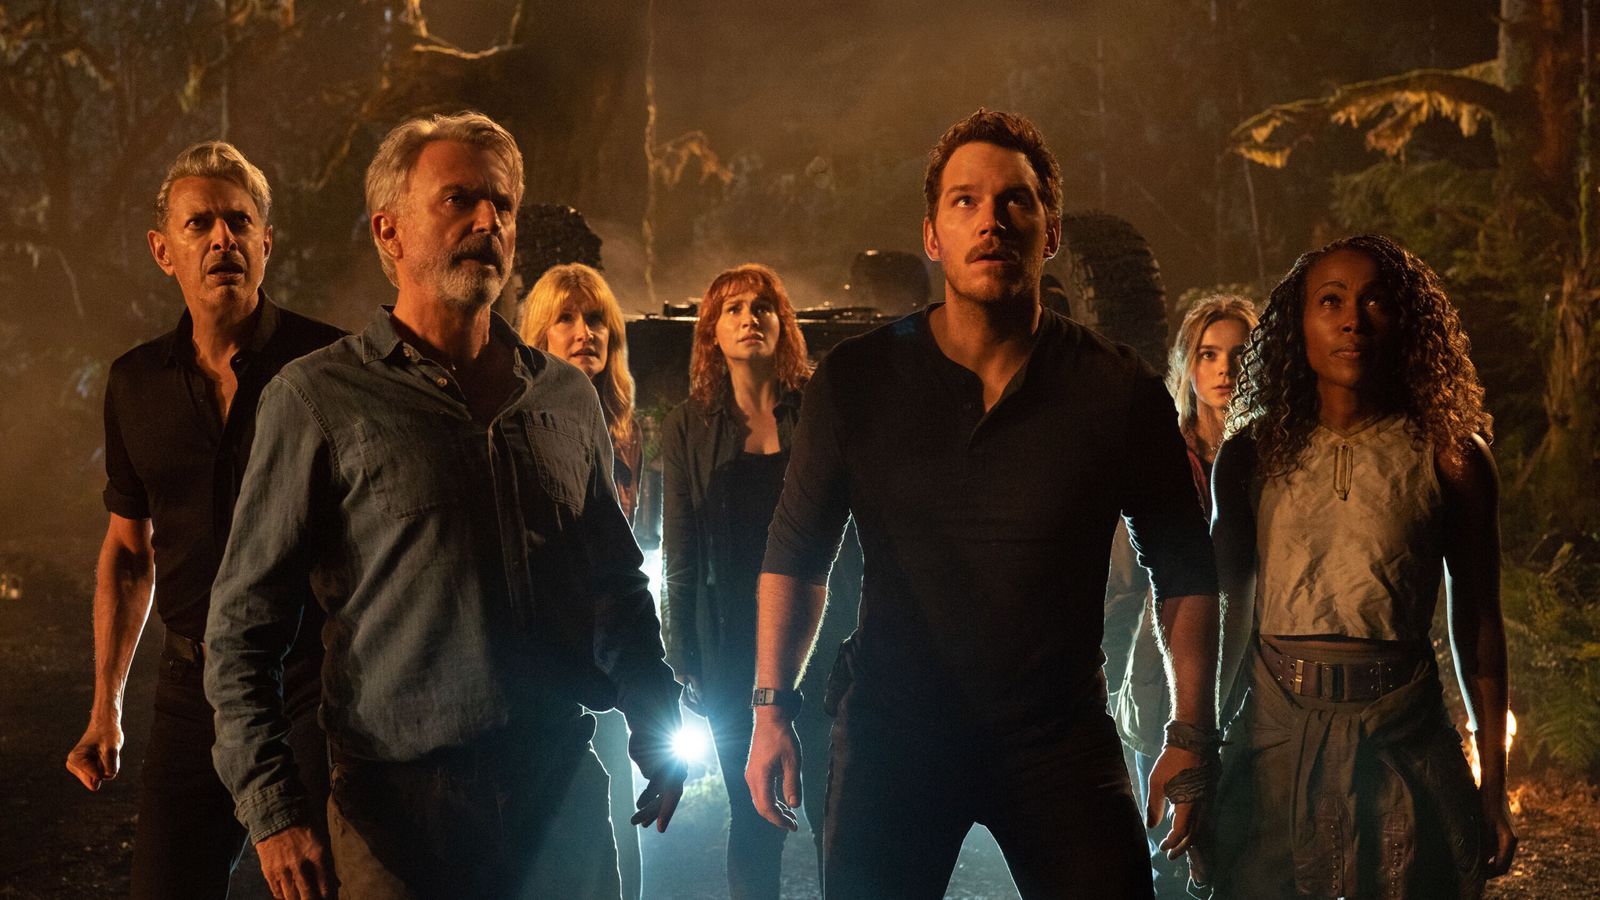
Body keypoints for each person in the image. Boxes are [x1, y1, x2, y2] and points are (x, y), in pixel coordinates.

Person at [203, 111, 686, 900]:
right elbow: (241, 629)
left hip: (557, 794)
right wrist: (273, 811)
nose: (488, 222)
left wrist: (654, 712)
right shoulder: (319, 399)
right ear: (388, 230)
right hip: (398, 816)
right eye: (459, 199)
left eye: (503, 204)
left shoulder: (564, 399)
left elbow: (615, 583)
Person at [744, 109, 1221, 899]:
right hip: (895, 735)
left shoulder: (1116, 388)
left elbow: (1185, 570)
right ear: (932, 235)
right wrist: (770, 710)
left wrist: (1191, 734)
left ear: (1051, 232)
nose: (991, 220)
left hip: (1059, 739)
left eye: (1015, 201)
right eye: (965, 201)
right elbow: (796, 555)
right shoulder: (859, 380)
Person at [62, 141, 342, 900]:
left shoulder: (328, 365)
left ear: (266, 242)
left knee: (323, 884)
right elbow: (129, 550)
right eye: (200, 224)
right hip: (193, 690)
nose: (223, 239)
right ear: (164, 250)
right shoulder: (134, 384)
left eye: (239, 222)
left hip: (311, 682)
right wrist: (106, 706)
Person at [1208, 234, 1518, 899]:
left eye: (1375, 300)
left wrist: (1494, 785)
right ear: (1299, 324)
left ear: (1405, 320)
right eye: (1330, 301)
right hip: (1274, 736)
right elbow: (1225, 612)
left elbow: (1479, 622)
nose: (1353, 320)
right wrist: (1200, 748)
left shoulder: (1451, 457)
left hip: (1402, 735)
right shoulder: (1251, 454)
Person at [660, 264, 847, 899]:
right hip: (731, 647)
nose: (749, 318)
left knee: (837, 814)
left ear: (782, 324)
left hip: (817, 640)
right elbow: (681, 553)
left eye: (762, 306)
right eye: (733, 308)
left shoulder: (816, 412)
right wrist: (683, 658)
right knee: (755, 814)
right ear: (711, 331)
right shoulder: (688, 426)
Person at [1104, 295, 1256, 897]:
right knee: (1168, 843)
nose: (1224, 369)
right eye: (1208, 354)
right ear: (1188, 367)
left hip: (1259, 664)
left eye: (1239, 354)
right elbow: (1124, 581)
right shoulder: (1165, 457)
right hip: (1164, 667)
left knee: (1244, 840)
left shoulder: (1275, 457)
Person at [518, 262, 645, 900]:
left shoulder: (626, 429)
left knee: (622, 813)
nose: (584, 332)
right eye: (565, 319)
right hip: (552, 651)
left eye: (595, 319)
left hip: (614, 641)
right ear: (538, 332)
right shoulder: (522, 423)